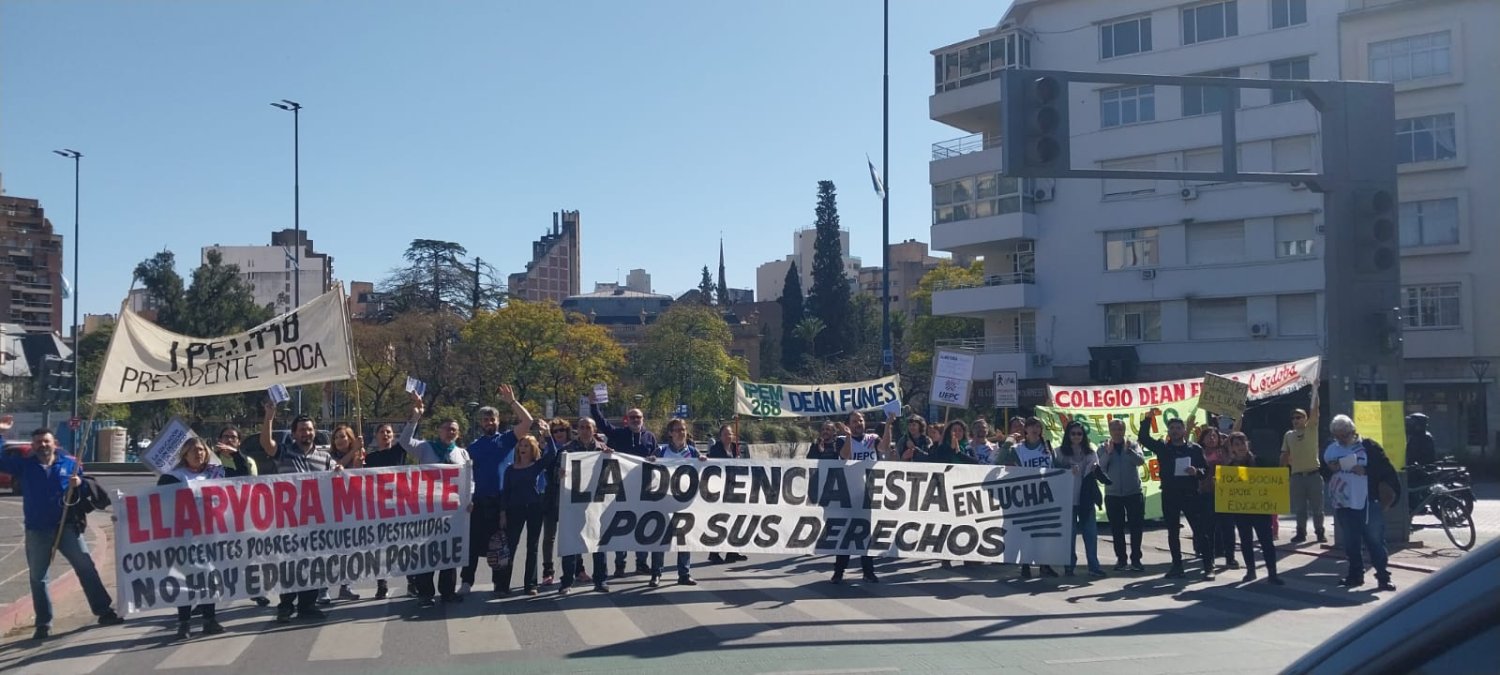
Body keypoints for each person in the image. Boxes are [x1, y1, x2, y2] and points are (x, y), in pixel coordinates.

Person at [0, 420, 124, 641]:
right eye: (38, 442)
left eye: (46, 441)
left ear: (54, 444)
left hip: (67, 527)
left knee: (86, 567)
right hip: (37, 530)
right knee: (39, 577)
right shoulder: (25, 465)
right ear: (33, 445)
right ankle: (43, 623)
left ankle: (104, 611)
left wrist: (80, 483)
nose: (42, 445)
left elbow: (85, 487)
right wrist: (1, 432)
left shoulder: (69, 463)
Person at [260, 401, 340, 623]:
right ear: (294, 434)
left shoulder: (324, 456)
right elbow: (267, 444)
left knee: (313, 564)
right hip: (288, 521)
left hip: (315, 522)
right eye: (302, 429)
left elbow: (335, 476)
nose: (307, 433)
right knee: (288, 564)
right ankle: (286, 605)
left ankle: (308, 605)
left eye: (310, 429)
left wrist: (340, 470)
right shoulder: (284, 452)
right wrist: (269, 417)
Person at [401, 392, 475, 606]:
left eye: (454, 429)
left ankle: (447, 591)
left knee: (449, 550)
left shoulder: (462, 454)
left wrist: (469, 499)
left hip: (452, 510)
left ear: (458, 433)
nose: (450, 432)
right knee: (426, 550)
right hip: (428, 509)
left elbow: (469, 479)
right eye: (446, 428)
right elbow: (404, 442)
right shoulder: (425, 448)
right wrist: (415, 417)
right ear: (439, 430)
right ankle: (425, 592)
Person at [462, 385, 533, 596]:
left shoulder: (507, 439)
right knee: (472, 544)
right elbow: (464, 476)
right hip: (479, 501)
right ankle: (466, 581)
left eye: (492, 419)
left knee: (502, 544)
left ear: (498, 421)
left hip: (502, 502)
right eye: (485, 420)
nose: (489, 422)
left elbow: (527, 422)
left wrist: (512, 401)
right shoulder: (472, 447)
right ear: (481, 423)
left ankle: (500, 584)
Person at [158, 438, 229, 638]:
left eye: (202, 450)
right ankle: (184, 623)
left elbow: (242, 477)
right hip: (182, 538)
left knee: (209, 577)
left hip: (209, 537)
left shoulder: (214, 473)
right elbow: (155, 502)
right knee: (184, 579)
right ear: (185, 454)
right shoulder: (173, 477)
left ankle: (209, 620)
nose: (198, 454)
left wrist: (235, 455)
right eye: (193, 450)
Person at [1324, 415, 1400, 591]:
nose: (1341, 439)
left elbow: (1385, 469)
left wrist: (1365, 470)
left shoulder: (1369, 447)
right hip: (1344, 504)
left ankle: (1383, 576)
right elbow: (1323, 470)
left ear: (1353, 431)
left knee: (1375, 540)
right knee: (1351, 542)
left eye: (1344, 435)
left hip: (1368, 501)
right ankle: (1355, 575)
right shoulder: (1331, 449)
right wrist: (1330, 469)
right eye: (1337, 436)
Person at [1139, 409, 1211, 580]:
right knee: (1173, 532)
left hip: (1190, 494)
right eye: (1172, 428)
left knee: (1200, 530)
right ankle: (1177, 566)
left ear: (1184, 431)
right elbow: (1144, 438)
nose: (1175, 431)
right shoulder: (1163, 448)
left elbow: (1205, 470)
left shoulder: (1195, 449)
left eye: (1178, 428)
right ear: (1169, 431)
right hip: (1170, 494)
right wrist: (1147, 420)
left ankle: (1209, 565)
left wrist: (1197, 472)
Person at [591, 397, 656, 577]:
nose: (636, 420)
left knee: (642, 527)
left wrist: (654, 460)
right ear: (627, 420)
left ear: (643, 420)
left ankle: (641, 563)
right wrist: (593, 406)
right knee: (622, 527)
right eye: (633, 417)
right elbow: (602, 424)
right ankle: (620, 565)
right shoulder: (618, 434)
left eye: (639, 417)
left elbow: (657, 458)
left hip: (643, 490)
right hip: (620, 491)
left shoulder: (650, 437)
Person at [831, 412, 891, 584]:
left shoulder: (872, 438)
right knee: (846, 533)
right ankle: (839, 571)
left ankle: (868, 571)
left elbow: (884, 448)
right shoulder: (842, 439)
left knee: (866, 534)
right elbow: (846, 456)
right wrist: (849, 436)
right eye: (854, 421)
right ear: (848, 424)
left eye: (861, 420)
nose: (859, 423)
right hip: (848, 493)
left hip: (869, 492)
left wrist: (888, 426)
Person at [998, 418, 1060, 579]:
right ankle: (1025, 565)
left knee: (1043, 533)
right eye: (1032, 426)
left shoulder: (1047, 447)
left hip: (1046, 494)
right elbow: (998, 461)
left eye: (1038, 426)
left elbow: (1057, 468)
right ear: (1026, 429)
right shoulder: (1018, 449)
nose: (1035, 429)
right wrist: (1008, 442)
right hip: (1026, 494)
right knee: (1026, 532)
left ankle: (1045, 565)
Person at [649, 418, 707, 587]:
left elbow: (703, 473)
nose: (682, 432)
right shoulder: (661, 451)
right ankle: (656, 573)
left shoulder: (693, 452)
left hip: (684, 502)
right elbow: (647, 470)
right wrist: (650, 462)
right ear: (670, 433)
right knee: (660, 538)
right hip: (663, 500)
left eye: (683, 429)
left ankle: (684, 573)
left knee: (683, 539)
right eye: (678, 429)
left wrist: (704, 462)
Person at [558, 417, 611, 594]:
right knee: (571, 543)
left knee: (600, 543)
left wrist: (611, 458)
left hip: (597, 505)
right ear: (577, 430)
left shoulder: (604, 450)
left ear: (594, 429)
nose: (585, 430)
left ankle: (601, 580)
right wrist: (558, 474)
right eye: (581, 427)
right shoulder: (567, 451)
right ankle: (566, 581)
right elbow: (552, 476)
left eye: (588, 427)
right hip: (573, 506)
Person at [361, 423, 413, 600]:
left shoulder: (399, 451)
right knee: (380, 549)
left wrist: (415, 416)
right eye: (381, 432)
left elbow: (408, 433)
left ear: (393, 435)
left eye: (388, 432)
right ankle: (381, 585)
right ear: (376, 436)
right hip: (377, 510)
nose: (385, 435)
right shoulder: (369, 458)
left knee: (404, 547)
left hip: (399, 508)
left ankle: (412, 582)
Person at [498, 435, 553, 596]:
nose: (523, 448)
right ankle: (503, 585)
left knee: (532, 547)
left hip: (534, 508)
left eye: (527, 446)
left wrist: (548, 435)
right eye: (521, 445)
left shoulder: (536, 465)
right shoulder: (510, 469)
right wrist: (502, 513)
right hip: (514, 509)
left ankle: (530, 585)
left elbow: (552, 454)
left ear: (532, 449)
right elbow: (505, 493)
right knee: (511, 547)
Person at [1225, 432, 1282, 585]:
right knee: (1245, 541)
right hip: (1241, 510)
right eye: (1237, 444)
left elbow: (1273, 482)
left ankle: (1272, 573)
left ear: (1247, 444)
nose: (1241, 447)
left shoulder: (1260, 461)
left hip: (1260, 509)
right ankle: (1251, 571)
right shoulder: (1229, 468)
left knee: (1266, 541)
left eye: (1242, 443)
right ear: (1232, 448)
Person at [1056, 422, 1105, 578]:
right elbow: (1053, 470)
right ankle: (1069, 566)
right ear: (1068, 435)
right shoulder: (1059, 452)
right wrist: (1066, 468)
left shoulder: (1090, 452)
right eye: (1073, 433)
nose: (1076, 436)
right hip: (1067, 500)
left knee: (1090, 535)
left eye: (1079, 434)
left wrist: (1094, 468)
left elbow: (1095, 469)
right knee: (1068, 537)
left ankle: (1094, 566)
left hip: (1085, 499)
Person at [323, 423, 365, 603]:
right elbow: (336, 468)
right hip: (330, 509)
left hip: (350, 510)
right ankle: (322, 589)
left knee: (348, 549)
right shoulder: (327, 456)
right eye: (337, 437)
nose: (340, 440)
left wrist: (358, 460)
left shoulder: (358, 455)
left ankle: (345, 586)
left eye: (343, 436)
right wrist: (352, 452)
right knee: (327, 550)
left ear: (350, 438)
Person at [1098, 419, 1147, 572]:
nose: (1117, 432)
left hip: (1133, 492)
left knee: (1136, 527)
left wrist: (1128, 451)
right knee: (1117, 529)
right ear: (1110, 431)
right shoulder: (1104, 447)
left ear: (1124, 430)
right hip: (1113, 494)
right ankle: (1121, 559)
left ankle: (1136, 559)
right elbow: (1100, 467)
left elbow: (1140, 461)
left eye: (1120, 429)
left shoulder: (1132, 445)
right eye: (1114, 429)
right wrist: (1108, 453)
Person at [1280, 393, 1326, 544]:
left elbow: (1315, 409)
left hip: (1313, 475)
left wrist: (1315, 391)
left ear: (1305, 419)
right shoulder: (1289, 435)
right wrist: (1281, 472)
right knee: (1299, 509)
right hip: (1297, 476)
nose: (1295, 420)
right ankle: (1301, 532)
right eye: (1293, 418)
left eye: (1299, 417)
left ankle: (1319, 531)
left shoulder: (1311, 429)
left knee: (1317, 508)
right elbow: (1285, 454)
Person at [706, 424, 750, 564]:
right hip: (720, 489)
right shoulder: (715, 449)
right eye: (725, 434)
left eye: (730, 434)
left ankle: (732, 552)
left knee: (735, 520)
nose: (728, 436)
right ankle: (714, 553)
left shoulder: (737, 449)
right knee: (720, 521)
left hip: (734, 488)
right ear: (720, 436)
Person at [1197, 425, 1237, 571]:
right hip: (1206, 493)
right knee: (1209, 528)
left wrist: (1238, 417)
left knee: (1228, 527)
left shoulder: (1224, 450)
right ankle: (1210, 559)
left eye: (1214, 436)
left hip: (1224, 493)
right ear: (1203, 439)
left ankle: (1230, 557)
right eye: (1209, 436)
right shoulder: (1198, 451)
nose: (1212, 438)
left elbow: (1234, 434)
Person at [540, 417, 573, 587]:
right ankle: (548, 571)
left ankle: (578, 568)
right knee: (549, 537)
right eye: (555, 431)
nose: (559, 433)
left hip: (570, 498)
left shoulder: (574, 448)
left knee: (573, 535)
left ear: (568, 432)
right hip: (551, 497)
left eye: (562, 430)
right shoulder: (545, 448)